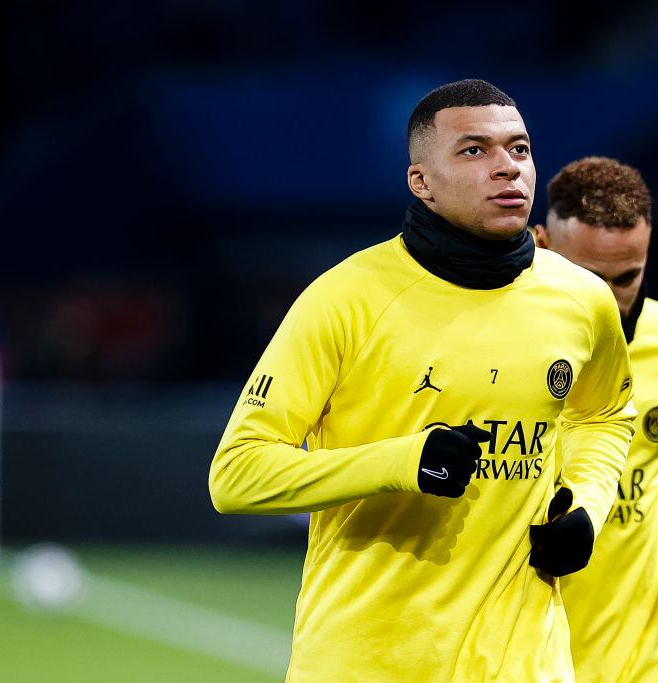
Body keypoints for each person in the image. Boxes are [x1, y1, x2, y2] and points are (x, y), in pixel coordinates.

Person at [209, 81, 636, 682]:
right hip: (370, 662)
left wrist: (589, 506)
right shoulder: (345, 299)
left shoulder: (583, 300)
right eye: (474, 151)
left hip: (526, 663)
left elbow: (605, 415)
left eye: (519, 149)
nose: (507, 168)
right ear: (421, 182)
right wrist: (403, 461)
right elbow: (237, 476)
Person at [533, 157, 658, 683]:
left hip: (645, 656)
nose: (611, 301)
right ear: (543, 245)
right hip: (525, 653)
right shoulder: (498, 348)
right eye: (590, 279)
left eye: (627, 278)